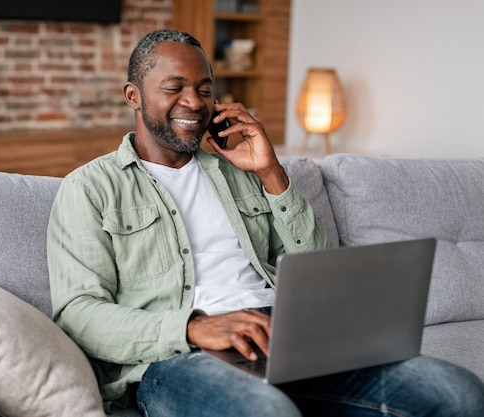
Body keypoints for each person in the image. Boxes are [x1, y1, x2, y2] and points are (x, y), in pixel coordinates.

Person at [47, 29, 484, 416]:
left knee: (457, 393)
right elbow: (79, 314)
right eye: (174, 87)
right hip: (180, 354)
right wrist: (195, 326)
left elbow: (319, 270)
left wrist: (272, 173)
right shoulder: (89, 188)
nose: (194, 103)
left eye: (205, 88)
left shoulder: (238, 171)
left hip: (287, 335)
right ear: (134, 96)